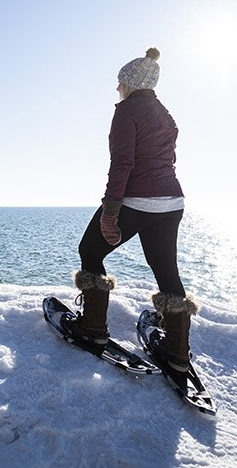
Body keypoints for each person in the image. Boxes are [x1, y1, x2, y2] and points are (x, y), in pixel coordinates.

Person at [61, 46, 198, 374]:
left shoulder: (127, 111)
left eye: (120, 81)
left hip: (136, 199)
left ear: (131, 83)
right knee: (166, 271)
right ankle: (177, 353)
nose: (117, 87)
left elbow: (122, 163)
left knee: (90, 252)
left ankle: (92, 329)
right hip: (171, 203)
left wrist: (110, 212)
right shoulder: (165, 114)